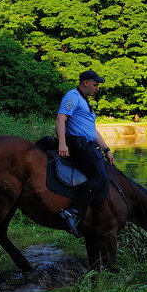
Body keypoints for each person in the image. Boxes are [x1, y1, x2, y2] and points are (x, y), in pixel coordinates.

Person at [55, 69, 114, 236]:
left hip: (89, 145)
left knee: (103, 175)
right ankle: (71, 211)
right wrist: (62, 144)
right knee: (99, 177)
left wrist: (106, 149)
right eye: (95, 85)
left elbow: (92, 131)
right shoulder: (72, 96)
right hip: (78, 145)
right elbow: (60, 118)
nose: (97, 88)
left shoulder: (84, 101)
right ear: (86, 82)